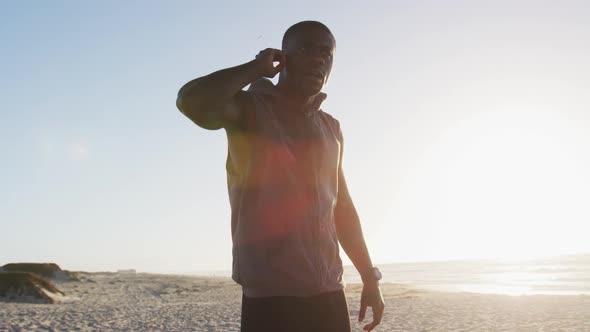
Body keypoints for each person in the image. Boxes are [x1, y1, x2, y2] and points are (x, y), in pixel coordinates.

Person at [176, 20, 384, 332]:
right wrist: (254, 69)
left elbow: (341, 208)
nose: (317, 59)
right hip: (271, 298)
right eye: (305, 49)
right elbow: (189, 100)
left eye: (326, 54)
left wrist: (369, 277)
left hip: (328, 293)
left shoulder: (331, 128)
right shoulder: (250, 110)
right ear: (282, 57)